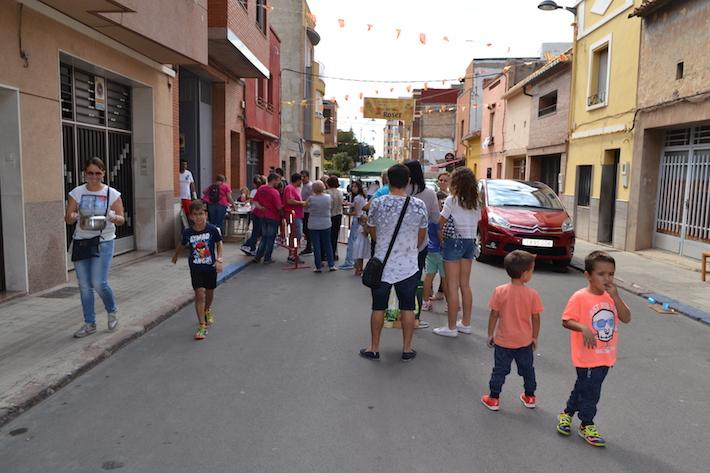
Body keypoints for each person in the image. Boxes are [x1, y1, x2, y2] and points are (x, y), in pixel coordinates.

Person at [556, 251, 631, 447]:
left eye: (611, 274)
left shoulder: (611, 297)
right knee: (591, 391)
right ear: (588, 275)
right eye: (601, 274)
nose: (607, 278)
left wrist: (616, 297)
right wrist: (583, 328)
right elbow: (566, 320)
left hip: (606, 355)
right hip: (586, 356)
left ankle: (567, 413)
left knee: (584, 387)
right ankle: (587, 423)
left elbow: (626, 318)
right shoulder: (580, 297)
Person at [359, 164, 428, 362]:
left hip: (382, 264)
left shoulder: (378, 203)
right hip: (408, 265)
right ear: (408, 181)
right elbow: (421, 235)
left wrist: (382, 243)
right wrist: (409, 249)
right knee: (407, 307)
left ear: (388, 180)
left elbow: (372, 230)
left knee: (378, 307)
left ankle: (374, 348)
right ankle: (407, 349)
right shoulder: (418, 205)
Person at [65, 157, 125, 338]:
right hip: (81, 242)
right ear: (84, 173)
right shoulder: (76, 193)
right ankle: (89, 323)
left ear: (103, 173)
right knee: (84, 286)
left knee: (99, 283)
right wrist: (73, 216)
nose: (94, 176)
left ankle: (112, 310)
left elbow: (122, 219)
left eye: (98, 173)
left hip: (104, 241)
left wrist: (114, 217)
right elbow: (68, 218)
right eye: (90, 173)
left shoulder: (112, 194)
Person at [480, 250, 543, 411]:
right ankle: (530, 396)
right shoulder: (532, 294)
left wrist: (490, 334)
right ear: (525, 274)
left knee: (499, 371)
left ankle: (493, 398)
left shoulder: (500, 291)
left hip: (503, 341)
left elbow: (494, 314)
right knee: (528, 370)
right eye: (532, 270)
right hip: (524, 342)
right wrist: (534, 337)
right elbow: (536, 318)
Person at [433, 167, 481, 338]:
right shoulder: (476, 202)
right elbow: (477, 221)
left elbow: (440, 221)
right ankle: (465, 324)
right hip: (470, 242)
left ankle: (451, 327)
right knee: (465, 285)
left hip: (453, 242)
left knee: (452, 286)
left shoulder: (452, 200)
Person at [171, 200, 223, 340]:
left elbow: (219, 243)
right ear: (191, 217)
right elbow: (182, 244)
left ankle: (207, 309)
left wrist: (219, 259)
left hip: (210, 267)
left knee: (210, 292)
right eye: (195, 214)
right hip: (195, 268)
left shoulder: (212, 230)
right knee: (199, 293)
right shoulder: (188, 232)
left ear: (206, 214)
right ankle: (202, 326)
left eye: (201, 214)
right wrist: (175, 256)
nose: (199, 217)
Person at [403, 160, 440, 329]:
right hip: (420, 244)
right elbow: (436, 219)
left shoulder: (399, 191)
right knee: (415, 279)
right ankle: (414, 317)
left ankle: (398, 313)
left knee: (398, 279)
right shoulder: (429, 193)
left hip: (399, 244)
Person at [422, 191, 448, 312]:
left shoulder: (429, 216)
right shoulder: (439, 218)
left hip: (430, 249)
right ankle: (450, 303)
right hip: (440, 251)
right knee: (445, 279)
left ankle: (425, 302)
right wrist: (444, 243)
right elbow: (440, 234)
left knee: (429, 276)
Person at [252, 173, 283, 264]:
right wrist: (282, 214)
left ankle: (258, 256)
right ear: (273, 180)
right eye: (278, 180)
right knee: (270, 238)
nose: (279, 182)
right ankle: (267, 258)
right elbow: (279, 207)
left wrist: (261, 208)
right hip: (273, 217)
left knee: (264, 237)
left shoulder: (261, 188)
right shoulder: (274, 192)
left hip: (263, 215)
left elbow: (255, 200)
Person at [305, 181, 335, 272]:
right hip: (326, 223)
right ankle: (331, 264)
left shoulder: (311, 198)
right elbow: (331, 206)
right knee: (327, 244)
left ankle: (318, 266)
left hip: (313, 224)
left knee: (316, 245)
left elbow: (306, 207)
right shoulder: (328, 197)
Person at [338, 180, 367, 270]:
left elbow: (355, 212)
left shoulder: (357, 198)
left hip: (356, 221)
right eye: (352, 186)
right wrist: (349, 204)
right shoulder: (362, 197)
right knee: (356, 242)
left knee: (351, 242)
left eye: (355, 186)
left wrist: (346, 213)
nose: (353, 188)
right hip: (360, 221)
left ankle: (349, 261)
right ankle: (354, 262)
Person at [283, 173, 307, 261]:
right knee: (296, 234)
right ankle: (293, 254)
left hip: (298, 214)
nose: (301, 182)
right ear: (298, 180)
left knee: (295, 234)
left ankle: (293, 253)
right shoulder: (290, 188)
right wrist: (301, 203)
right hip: (293, 215)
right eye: (301, 180)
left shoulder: (296, 189)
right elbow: (289, 200)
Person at [241, 175, 264, 256]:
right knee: (257, 231)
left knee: (257, 231)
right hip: (258, 212)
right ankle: (248, 245)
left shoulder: (254, 191)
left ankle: (251, 246)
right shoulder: (262, 190)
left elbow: (251, 201)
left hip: (254, 212)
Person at [325, 176, 344, 261]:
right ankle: (333, 253)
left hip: (330, 215)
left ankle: (328, 254)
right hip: (338, 215)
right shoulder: (340, 192)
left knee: (328, 236)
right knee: (335, 236)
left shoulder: (327, 193)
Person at [300, 170, 314, 255]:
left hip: (308, 211)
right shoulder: (304, 186)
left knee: (307, 229)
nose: (302, 178)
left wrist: (306, 203)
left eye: (304, 177)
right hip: (304, 210)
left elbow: (312, 197)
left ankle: (309, 246)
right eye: (301, 177)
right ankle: (309, 246)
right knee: (305, 229)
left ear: (308, 177)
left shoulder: (309, 186)